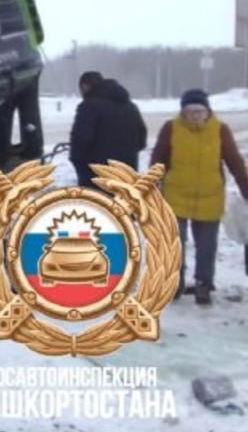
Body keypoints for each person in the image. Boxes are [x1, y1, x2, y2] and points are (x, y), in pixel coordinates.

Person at [149, 89, 248, 305]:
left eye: (199, 111)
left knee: (207, 246)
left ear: (207, 111)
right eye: (190, 111)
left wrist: (245, 188)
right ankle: (174, 283)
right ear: (183, 112)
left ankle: (204, 284)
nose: (195, 115)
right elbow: (158, 158)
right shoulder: (171, 128)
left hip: (209, 197)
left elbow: (235, 162)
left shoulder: (220, 130)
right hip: (176, 195)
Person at [69, 71, 148, 189]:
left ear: (85, 86)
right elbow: (141, 141)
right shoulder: (131, 107)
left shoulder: (89, 106)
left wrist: (80, 166)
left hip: (97, 179)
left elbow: (80, 142)